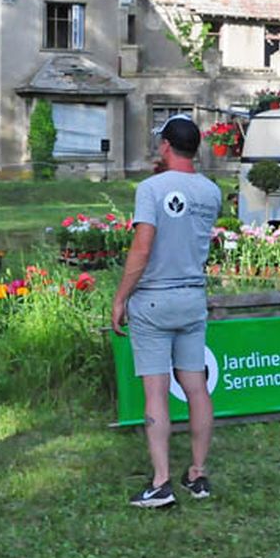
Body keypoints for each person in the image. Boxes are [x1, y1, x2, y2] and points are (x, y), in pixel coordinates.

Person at [110, 114, 222, 509]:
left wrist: (121, 296)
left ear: (166, 146)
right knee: (196, 386)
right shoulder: (212, 191)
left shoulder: (150, 189)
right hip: (193, 296)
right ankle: (198, 472)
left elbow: (142, 248)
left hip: (155, 298)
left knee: (156, 391)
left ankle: (161, 482)